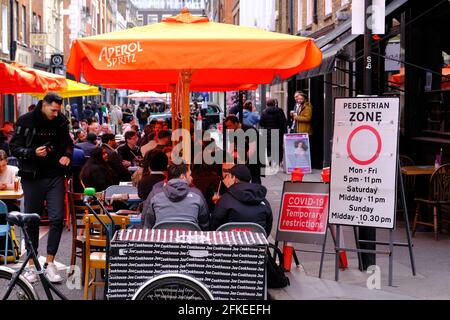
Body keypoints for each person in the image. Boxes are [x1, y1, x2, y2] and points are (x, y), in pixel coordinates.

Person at [10, 92, 73, 283]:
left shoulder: (61, 121)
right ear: (44, 105)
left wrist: (68, 155)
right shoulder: (26, 120)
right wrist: (32, 152)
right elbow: (14, 147)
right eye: (53, 110)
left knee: (56, 219)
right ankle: (31, 265)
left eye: (58, 110)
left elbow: (68, 143)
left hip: (55, 175)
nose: (55, 114)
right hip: (32, 177)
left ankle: (50, 264)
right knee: (31, 221)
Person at [142, 163, 209, 230]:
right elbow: (205, 225)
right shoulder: (197, 195)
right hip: (189, 239)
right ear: (183, 176)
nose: (192, 178)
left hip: (162, 238)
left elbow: (145, 221)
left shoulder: (155, 194)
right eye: (190, 175)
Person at [211, 164, 273, 236]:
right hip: (257, 245)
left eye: (228, 176)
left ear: (234, 178)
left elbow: (214, 226)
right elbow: (267, 228)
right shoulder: (263, 201)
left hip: (231, 245)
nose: (226, 178)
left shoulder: (225, 199)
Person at [224, 114, 262, 184]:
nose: (228, 128)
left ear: (236, 123)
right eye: (227, 126)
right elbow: (232, 146)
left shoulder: (250, 130)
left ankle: (257, 193)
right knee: (243, 179)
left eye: (230, 126)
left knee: (255, 177)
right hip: (242, 157)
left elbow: (252, 149)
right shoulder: (232, 132)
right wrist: (229, 158)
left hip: (254, 157)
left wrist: (244, 160)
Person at [260, 98, 288, 166]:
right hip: (278, 132)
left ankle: (270, 162)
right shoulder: (280, 111)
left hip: (267, 132)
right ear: (274, 104)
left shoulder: (264, 112)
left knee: (269, 147)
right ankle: (277, 162)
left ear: (267, 104)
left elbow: (261, 123)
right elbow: (283, 122)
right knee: (278, 147)